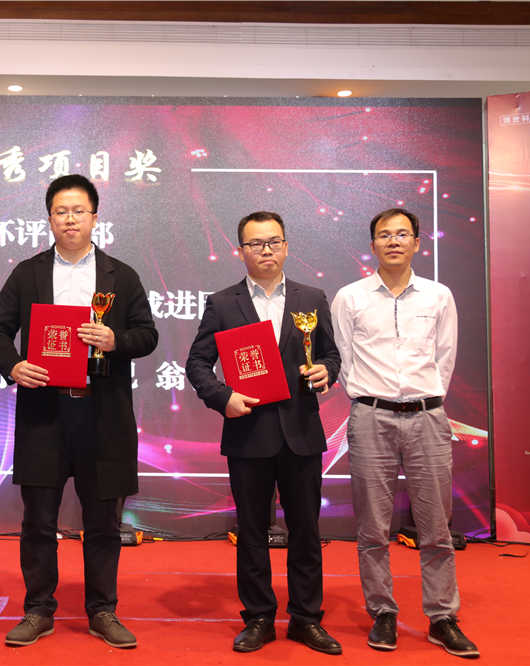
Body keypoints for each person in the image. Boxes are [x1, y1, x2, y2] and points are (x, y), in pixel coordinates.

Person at [0, 174, 158, 649]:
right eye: (61, 211)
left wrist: (115, 340)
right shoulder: (29, 273)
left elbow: (148, 334)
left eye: (79, 211)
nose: (70, 219)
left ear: (95, 217)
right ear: (49, 219)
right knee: (39, 520)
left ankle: (103, 610)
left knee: (103, 522)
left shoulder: (122, 276)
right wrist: (14, 364)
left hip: (104, 415)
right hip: (44, 412)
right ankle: (38, 610)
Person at [185, 211, 342, 655]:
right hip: (248, 432)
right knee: (251, 531)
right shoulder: (223, 303)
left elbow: (331, 355)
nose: (265, 250)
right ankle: (258, 617)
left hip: (301, 432)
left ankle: (306, 619)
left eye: (273, 241)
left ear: (286, 246)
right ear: (241, 251)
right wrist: (223, 397)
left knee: (306, 530)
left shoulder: (312, 297)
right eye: (255, 243)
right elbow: (197, 363)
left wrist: (325, 372)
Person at [331, 208, 478, 658]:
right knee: (372, 526)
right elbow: (343, 362)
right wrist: (371, 396)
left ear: (416, 243)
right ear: (372, 245)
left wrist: (422, 398)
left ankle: (442, 617)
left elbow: (445, 357)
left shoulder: (438, 296)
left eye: (402, 234)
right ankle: (383, 611)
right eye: (384, 235)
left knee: (435, 526)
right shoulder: (350, 297)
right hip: (370, 416)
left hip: (428, 417)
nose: (393, 241)